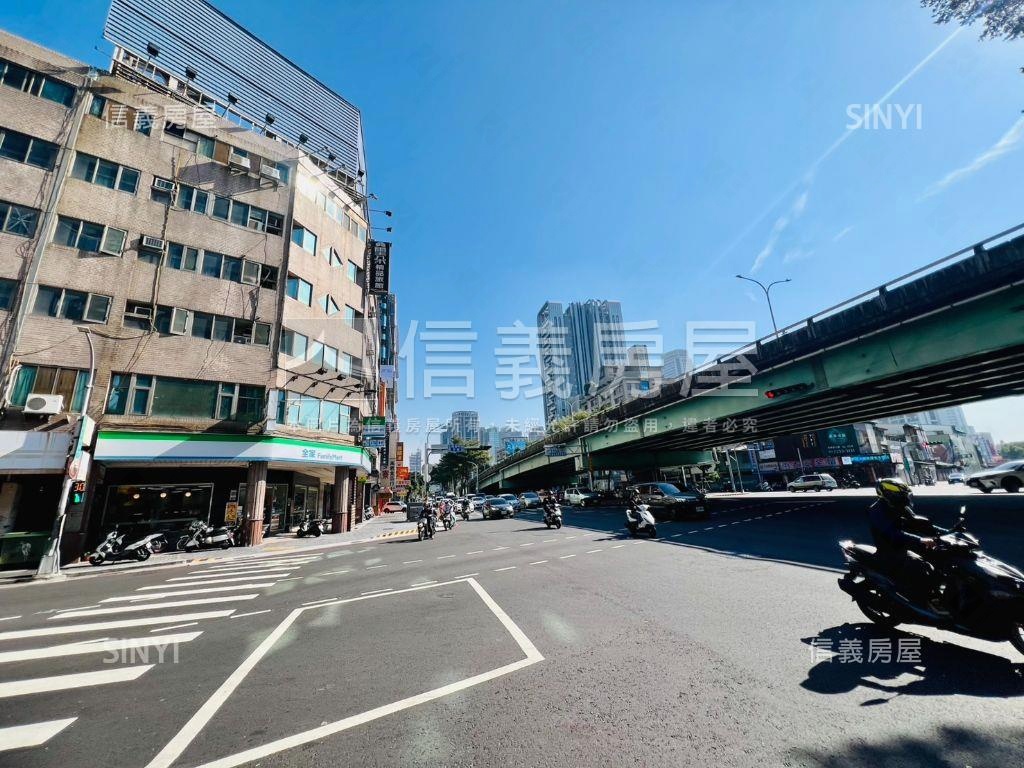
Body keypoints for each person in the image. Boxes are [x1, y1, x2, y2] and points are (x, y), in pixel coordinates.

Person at [869, 478, 946, 613]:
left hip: (905, 544)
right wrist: (920, 540)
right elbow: (893, 534)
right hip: (890, 552)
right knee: (922, 567)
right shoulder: (876, 511)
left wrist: (947, 533)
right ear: (889, 495)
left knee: (941, 556)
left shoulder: (900, 507)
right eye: (901, 495)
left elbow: (919, 524)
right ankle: (924, 602)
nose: (905, 498)